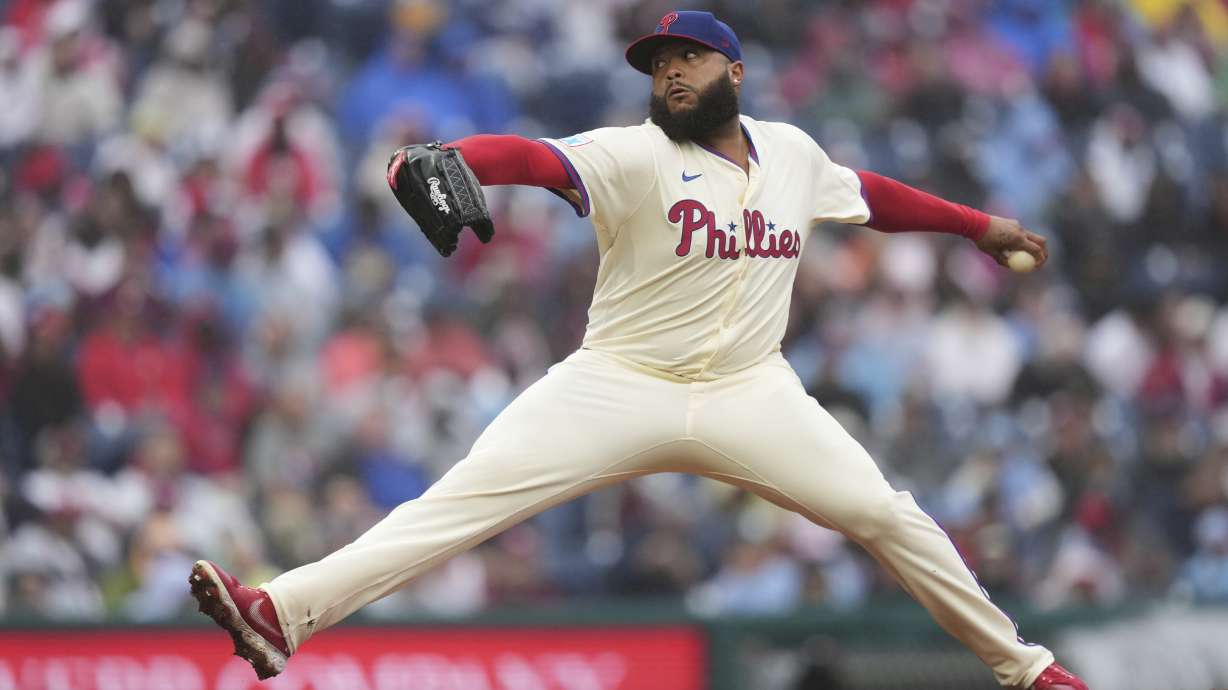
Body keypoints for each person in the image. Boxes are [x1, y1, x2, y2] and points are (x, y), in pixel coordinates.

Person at [189, 11, 1089, 690]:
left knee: (889, 517)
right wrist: (435, 155)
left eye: (687, 59)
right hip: (618, 381)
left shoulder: (794, 154)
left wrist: (978, 227)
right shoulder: (635, 154)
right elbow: (535, 160)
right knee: (457, 504)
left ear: (734, 69)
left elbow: (873, 195)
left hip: (750, 391)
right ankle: (283, 614)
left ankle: (1027, 671)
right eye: (659, 66)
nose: (670, 76)